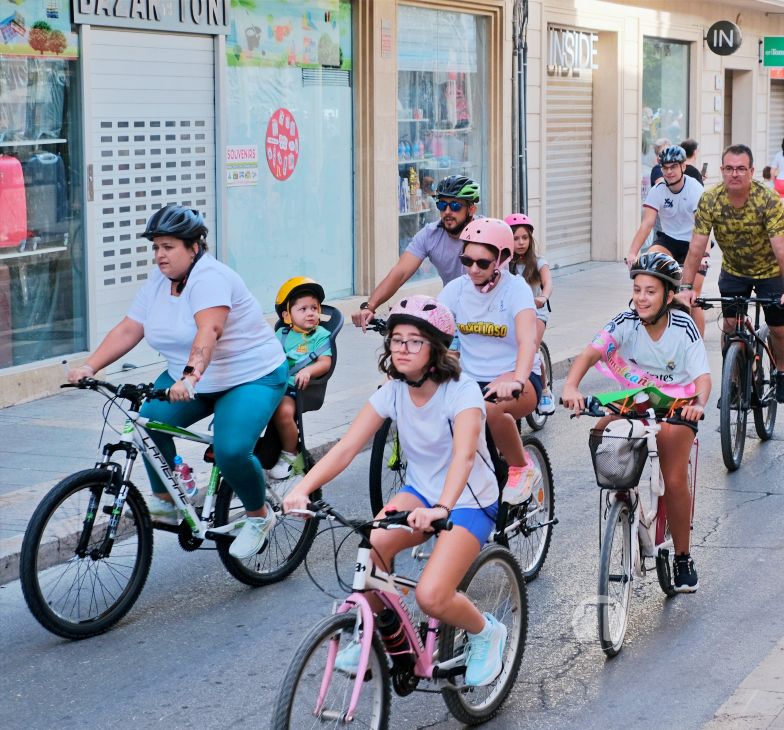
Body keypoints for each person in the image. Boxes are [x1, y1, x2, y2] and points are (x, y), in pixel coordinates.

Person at [282, 296, 507, 687]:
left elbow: (465, 457)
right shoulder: (393, 392)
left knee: (433, 596)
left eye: (414, 341)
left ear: (435, 349)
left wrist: (441, 507)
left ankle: (486, 632)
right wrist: (302, 488)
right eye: (396, 340)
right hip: (420, 492)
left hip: (468, 501)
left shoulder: (462, 392)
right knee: (372, 551)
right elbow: (346, 447)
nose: (401, 348)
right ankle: (381, 633)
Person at [66, 204, 287, 559]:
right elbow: (129, 328)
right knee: (147, 422)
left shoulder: (210, 279)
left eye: (168, 247)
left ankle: (259, 516)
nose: (159, 255)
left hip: (249, 375)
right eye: (155, 247)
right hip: (186, 377)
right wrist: (90, 366)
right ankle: (170, 499)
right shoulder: (158, 282)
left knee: (231, 451)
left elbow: (209, 329)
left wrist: (190, 377)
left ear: (194, 247)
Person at [560, 253, 711, 592]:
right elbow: (591, 353)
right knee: (601, 429)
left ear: (668, 296)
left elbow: (702, 377)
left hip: (677, 405)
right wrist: (571, 387)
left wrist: (698, 404)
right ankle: (623, 501)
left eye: (650, 291)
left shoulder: (683, 326)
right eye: (637, 290)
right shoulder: (625, 321)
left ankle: (683, 556)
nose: (641, 298)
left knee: (673, 480)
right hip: (638, 400)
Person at [676, 144, 784, 403]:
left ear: (752, 171)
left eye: (741, 169)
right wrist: (685, 287)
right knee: (731, 326)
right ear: (722, 170)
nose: (735, 174)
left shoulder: (766, 200)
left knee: (778, 326)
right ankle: (733, 380)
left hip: (770, 271)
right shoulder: (710, 199)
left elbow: (781, 250)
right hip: (734, 270)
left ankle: (782, 371)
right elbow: (696, 247)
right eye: (729, 168)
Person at [438, 217, 540, 504]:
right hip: (471, 380)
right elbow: (431, 325)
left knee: (487, 408)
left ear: (502, 258)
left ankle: (522, 467)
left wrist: (518, 379)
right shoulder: (457, 289)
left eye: (482, 263)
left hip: (518, 378)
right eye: (466, 260)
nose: (473, 269)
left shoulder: (516, 289)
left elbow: (527, 340)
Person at [352, 175, 480, 328]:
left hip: (485, 311)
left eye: (455, 206)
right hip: (452, 311)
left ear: (471, 209)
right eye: (442, 205)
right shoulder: (429, 235)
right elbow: (400, 273)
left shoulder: (487, 233)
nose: (447, 212)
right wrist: (369, 307)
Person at [625, 144, 708, 335]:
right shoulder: (658, 190)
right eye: (665, 168)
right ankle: (649, 329)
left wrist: (704, 255)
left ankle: (698, 350)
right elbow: (647, 224)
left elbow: (702, 228)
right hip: (669, 240)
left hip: (694, 243)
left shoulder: (694, 189)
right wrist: (632, 253)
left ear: (683, 167)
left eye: (673, 167)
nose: (669, 172)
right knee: (649, 264)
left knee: (692, 296)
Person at [266, 277, 332, 480]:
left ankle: (290, 455)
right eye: (303, 309)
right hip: (275, 382)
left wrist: (308, 371)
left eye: (314, 307)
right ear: (287, 315)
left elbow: (325, 362)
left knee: (284, 412)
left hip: (296, 387)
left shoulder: (320, 334)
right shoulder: (282, 333)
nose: (311, 312)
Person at [505, 213, 556, 415]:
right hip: (512, 313)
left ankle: (544, 390)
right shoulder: (504, 263)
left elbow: (548, 282)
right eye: (515, 238)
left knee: (531, 348)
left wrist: (543, 297)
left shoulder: (538, 262)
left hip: (536, 312)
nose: (520, 242)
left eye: (524, 237)